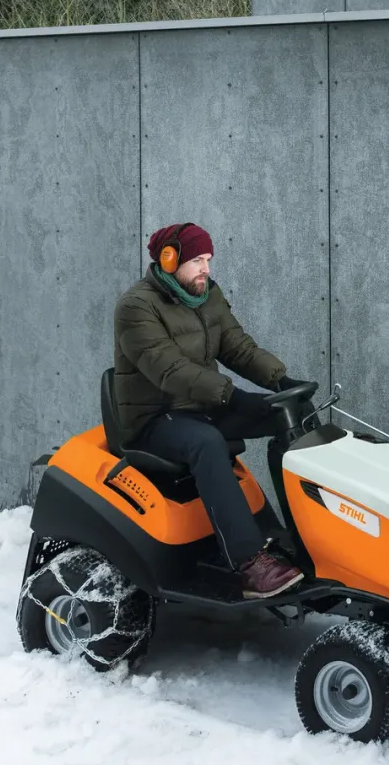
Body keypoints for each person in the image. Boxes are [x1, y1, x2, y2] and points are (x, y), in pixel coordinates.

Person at [112, 222, 305, 599]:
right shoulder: (135, 308)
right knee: (206, 442)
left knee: (292, 412)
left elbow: (238, 348)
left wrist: (282, 382)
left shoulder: (206, 296)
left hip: (203, 403)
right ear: (169, 260)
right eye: (198, 260)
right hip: (155, 418)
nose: (206, 269)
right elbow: (169, 370)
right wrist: (230, 394)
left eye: (209, 260)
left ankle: (306, 533)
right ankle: (248, 563)